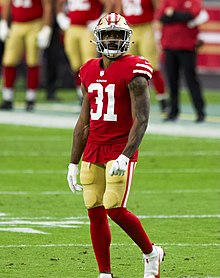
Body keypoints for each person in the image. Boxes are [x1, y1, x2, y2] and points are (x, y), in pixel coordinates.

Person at [67, 13, 164, 278]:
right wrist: (73, 162)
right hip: (94, 148)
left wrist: (125, 155)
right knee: (94, 207)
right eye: (107, 35)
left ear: (127, 39)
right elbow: (84, 121)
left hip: (120, 146)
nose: (112, 39)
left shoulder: (135, 70)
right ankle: (105, 273)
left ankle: (151, 253)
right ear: (98, 39)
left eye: (117, 35)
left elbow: (142, 120)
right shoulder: (88, 69)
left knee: (114, 207)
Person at [155, 0, 208, 122]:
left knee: (191, 80)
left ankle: (200, 111)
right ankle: (173, 111)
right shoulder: (168, 1)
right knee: (172, 81)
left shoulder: (193, 1)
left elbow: (193, 15)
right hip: (169, 46)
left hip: (187, 46)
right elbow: (161, 17)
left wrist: (173, 14)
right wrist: (182, 16)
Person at [113, 0, 169, 114]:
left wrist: (158, 26)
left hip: (146, 27)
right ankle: (124, 99)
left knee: (152, 66)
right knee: (126, 66)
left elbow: (159, 9)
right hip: (129, 29)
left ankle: (162, 98)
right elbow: (118, 11)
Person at [56, 0, 114, 103]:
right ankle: (81, 95)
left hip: (87, 29)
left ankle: (94, 95)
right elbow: (59, 3)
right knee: (75, 65)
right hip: (72, 28)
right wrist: (60, 16)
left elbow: (109, 3)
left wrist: (100, 20)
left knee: (89, 64)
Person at [0, 0, 53, 111]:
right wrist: (4, 22)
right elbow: (8, 4)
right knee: (9, 61)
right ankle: (7, 98)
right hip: (16, 24)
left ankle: (30, 98)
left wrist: (46, 28)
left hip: (35, 23)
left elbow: (47, 6)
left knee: (33, 61)